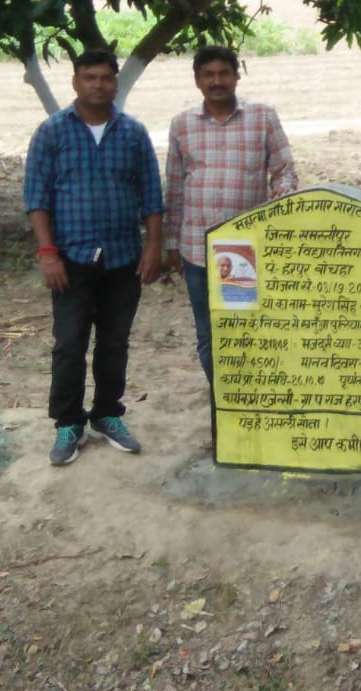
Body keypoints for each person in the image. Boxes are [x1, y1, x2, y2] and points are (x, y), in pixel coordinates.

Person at [24, 49, 164, 466]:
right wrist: (48, 253)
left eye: (106, 78)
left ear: (115, 84)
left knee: (114, 342)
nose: (98, 85)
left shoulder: (133, 133)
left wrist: (154, 246)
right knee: (69, 344)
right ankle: (69, 422)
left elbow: (151, 195)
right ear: (75, 82)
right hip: (71, 259)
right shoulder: (52, 132)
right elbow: (37, 199)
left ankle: (107, 413)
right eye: (90, 78)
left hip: (123, 258)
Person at [164, 45, 298, 389]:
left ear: (237, 76)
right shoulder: (182, 125)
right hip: (197, 251)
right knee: (209, 333)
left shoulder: (262, 117)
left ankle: (253, 400)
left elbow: (284, 171)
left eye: (224, 73)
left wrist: (279, 195)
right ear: (197, 80)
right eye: (208, 74)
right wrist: (171, 245)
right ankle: (225, 404)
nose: (217, 81)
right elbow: (176, 190)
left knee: (249, 329)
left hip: (245, 252)